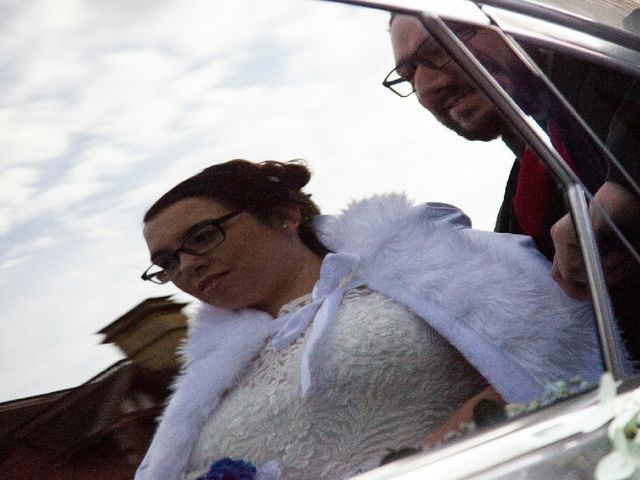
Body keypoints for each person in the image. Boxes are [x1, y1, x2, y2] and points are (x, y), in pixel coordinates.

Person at [135, 159, 609, 480]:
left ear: (283, 214)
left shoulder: (422, 262)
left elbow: (549, 355)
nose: (187, 266)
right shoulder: (205, 378)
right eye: (168, 262)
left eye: (201, 237)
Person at [387, 13, 640, 355]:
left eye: (440, 45)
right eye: (408, 73)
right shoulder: (525, 189)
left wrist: (625, 185)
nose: (427, 85)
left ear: (505, 20)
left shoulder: (607, 65)